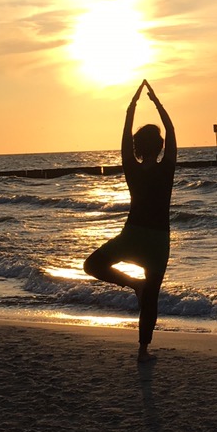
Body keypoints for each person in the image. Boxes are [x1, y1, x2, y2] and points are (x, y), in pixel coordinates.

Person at [84, 80, 176, 362]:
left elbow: (125, 134)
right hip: (158, 241)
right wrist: (157, 103)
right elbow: (171, 130)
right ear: (160, 146)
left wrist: (132, 106)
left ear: (137, 147)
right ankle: (143, 349)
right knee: (151, 297)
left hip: (133, 236)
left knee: (92, 265)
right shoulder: (167, 167)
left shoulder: (131, 168)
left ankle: (134, 284)